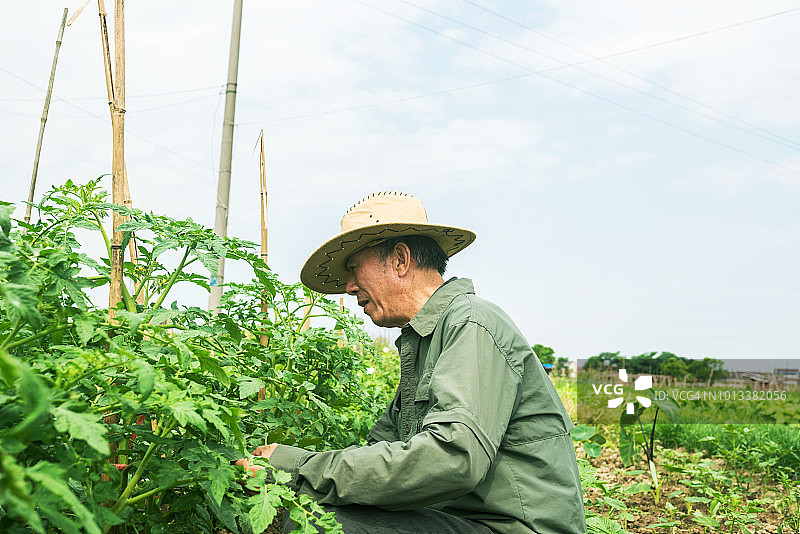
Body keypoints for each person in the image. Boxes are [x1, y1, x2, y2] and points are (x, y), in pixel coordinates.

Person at [238, 192, 586, 533]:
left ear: (400, 260)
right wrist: (290, 470)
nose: (348, 286)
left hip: (511, 527)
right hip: (464, 521)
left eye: (355, 268)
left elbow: (453, 458)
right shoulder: (424, 342)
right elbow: (379, 456)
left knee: (322, 524)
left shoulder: (471, 323)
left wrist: (296, 466)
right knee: (323, 510)